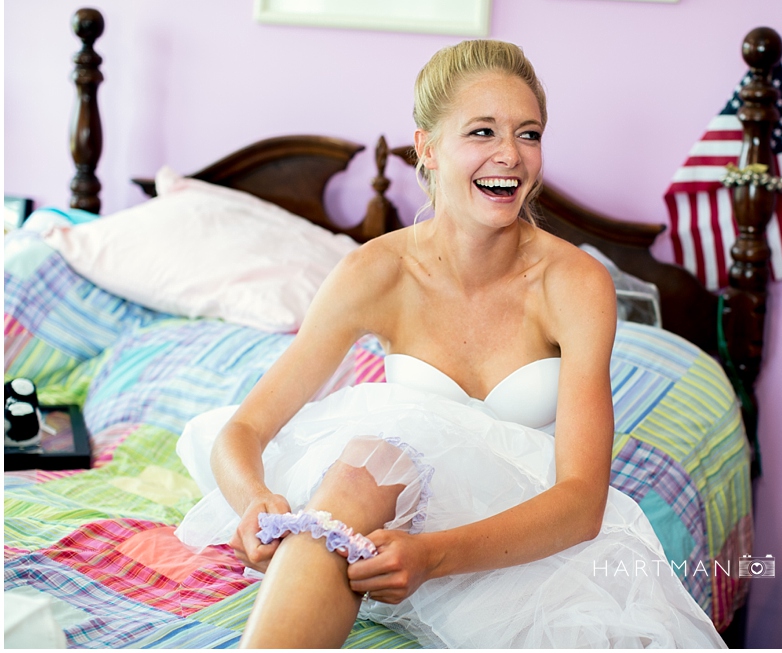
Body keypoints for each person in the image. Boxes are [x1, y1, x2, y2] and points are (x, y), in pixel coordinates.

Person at [174, 39, 725, 649]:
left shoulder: (575, 285)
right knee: (362, 470)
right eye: (483, 132)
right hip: (381, 525)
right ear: (427, 147)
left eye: (530, 134)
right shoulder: (375, 273)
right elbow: (243, 432)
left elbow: (582, 501)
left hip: (517, 542)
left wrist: (432, 558)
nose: (510, 156)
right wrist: (253, 503)